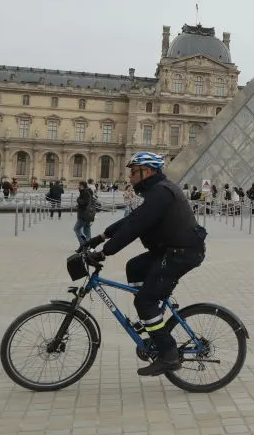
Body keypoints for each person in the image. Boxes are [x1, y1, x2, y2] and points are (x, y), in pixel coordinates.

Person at [85, 152, 207, 376]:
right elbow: (130, 220)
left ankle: (169, 355)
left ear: (147, 171)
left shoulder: (161, 192)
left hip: (183, 253)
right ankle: (152, 319)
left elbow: (135, 227)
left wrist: (104, 253)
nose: (130, 176)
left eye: (134, 171)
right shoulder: (154, 191)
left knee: (145, 301)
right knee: (134, 266)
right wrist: (100, 237)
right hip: (170, 250)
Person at [73, 181, 95, 246]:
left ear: (82, 186)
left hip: (83, 214)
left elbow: (84, 202)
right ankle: (88, 243)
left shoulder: (84, 192)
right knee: (87, 229)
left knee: (76, 228)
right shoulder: (88, 191)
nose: (78, 186)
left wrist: (78, 200)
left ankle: (83, 243)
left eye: (79, 185)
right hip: (88, 214)